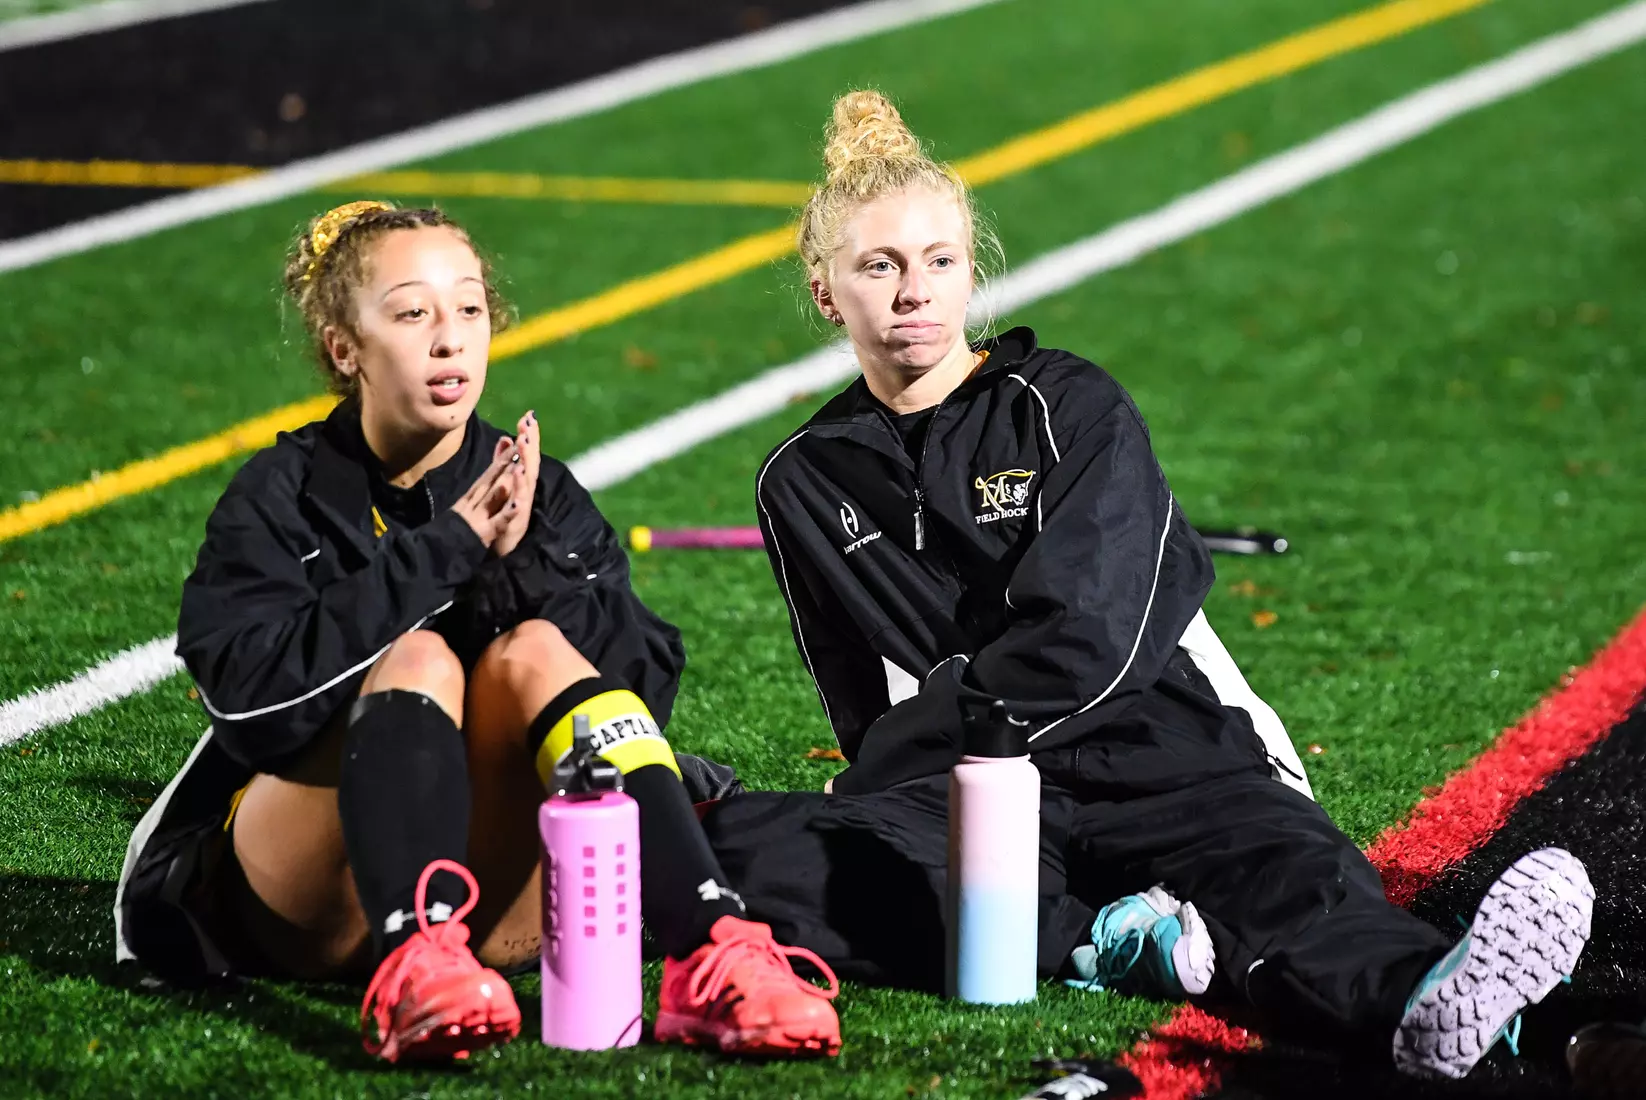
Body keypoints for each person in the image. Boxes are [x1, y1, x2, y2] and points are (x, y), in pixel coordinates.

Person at [743, 89, 1595, 1079]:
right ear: (823, 288)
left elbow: (1089, 640)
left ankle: (1428, 999)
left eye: (938, 260)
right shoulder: (798, 479)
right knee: (767, 847)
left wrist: (932, 738)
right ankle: (1096, 932)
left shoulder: (1067, 403)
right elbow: (858, 710)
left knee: (1290, 894)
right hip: (980, 785)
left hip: (1167, 754)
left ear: (970, 266)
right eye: (877, 266)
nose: (913, 292)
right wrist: (885, 792)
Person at [113, 200, 841, 1063]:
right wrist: (444, 553)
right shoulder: (278, 495)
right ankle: (412, 960)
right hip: (304, 900)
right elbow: (252, 709)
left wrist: (520, 565)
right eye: (413, 313)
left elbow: (637, 697)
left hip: (494, 911)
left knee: (530, 649)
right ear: (346, 349)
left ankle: (715, 951)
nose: (450, 338)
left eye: (469, 309)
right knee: (418, 656)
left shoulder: (537, 488)